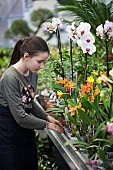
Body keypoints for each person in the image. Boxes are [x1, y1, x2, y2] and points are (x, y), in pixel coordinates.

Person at [0, 36, 64, 170]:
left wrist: (47, 116)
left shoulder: (32, 74)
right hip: (9, 136)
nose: (42, 66)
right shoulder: (10, 78)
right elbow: (20, 117)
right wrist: (48, 125)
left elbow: (30, 101)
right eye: (39, 61)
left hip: (25, 133)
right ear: (26, 56)